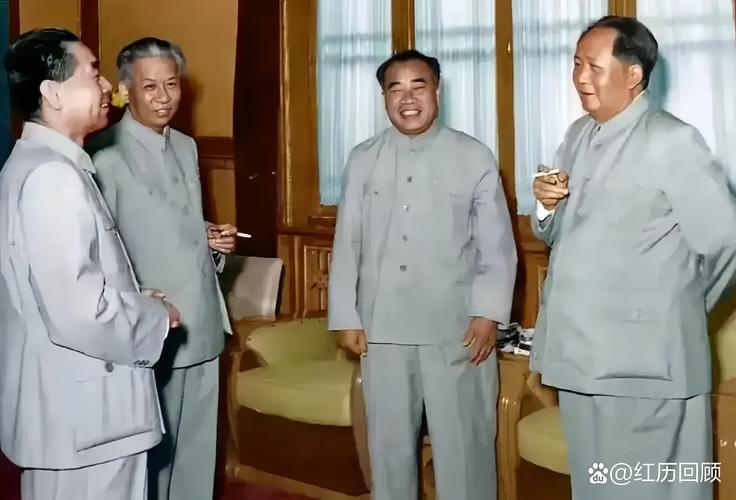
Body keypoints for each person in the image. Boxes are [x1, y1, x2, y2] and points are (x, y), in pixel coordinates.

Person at [531, 15, 736, 500]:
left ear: (633, 74)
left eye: (594, 66)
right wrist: (546, 206)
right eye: (576, 64)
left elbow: (726, 243)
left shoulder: (672, 140)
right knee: (595, 488)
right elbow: (559, 235)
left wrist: (676, 312)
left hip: (644, 365)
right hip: (577, 358)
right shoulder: (577, 134)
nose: (580, 77)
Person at [328, 49, 517, 500]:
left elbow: (496, 246)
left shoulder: (473, 156)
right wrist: (346, 316)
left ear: (437, 91)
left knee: (465, 449)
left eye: (419, 86)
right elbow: (347, 242)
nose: (407, 99)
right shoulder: (362, 159)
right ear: (383, 98)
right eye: (395, 89)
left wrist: (488, 314)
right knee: (389, 451)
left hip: (457, 331)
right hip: (382, 330)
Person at [0, 28, 179, 500]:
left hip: (70, 411)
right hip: (89, 416)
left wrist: (131, 297)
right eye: (93, 73)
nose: (107, 87)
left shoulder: (35, 162)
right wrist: (155, 316)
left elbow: (55, 290)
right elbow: (80, 313)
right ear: (53, 93)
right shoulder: (53, 177)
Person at [90, 37, 236, 500]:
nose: (162, 97)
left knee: (198, 449)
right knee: (153, 454)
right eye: (149, 86)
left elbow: (175, 222)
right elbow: (101, 252)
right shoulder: (105, 156)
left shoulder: (187, 147)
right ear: (124, 90)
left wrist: (211, 237)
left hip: (203, 317)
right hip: (153, 327)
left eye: (171, 84)